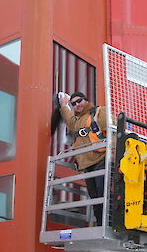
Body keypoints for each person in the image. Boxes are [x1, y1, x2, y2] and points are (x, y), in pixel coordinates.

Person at [58, 91, 106, 226]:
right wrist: (64, 104)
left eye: (79, 101)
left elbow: (113, 130)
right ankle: (101, 224)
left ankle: (108, 223)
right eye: (73, 104)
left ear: (85, 100)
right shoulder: (79, 121)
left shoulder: (99, 112)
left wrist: (113, 153)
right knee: (94, 197)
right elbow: (70, 121)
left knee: (103, 194)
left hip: (101, 159)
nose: (77, 105)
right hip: (87, 165)